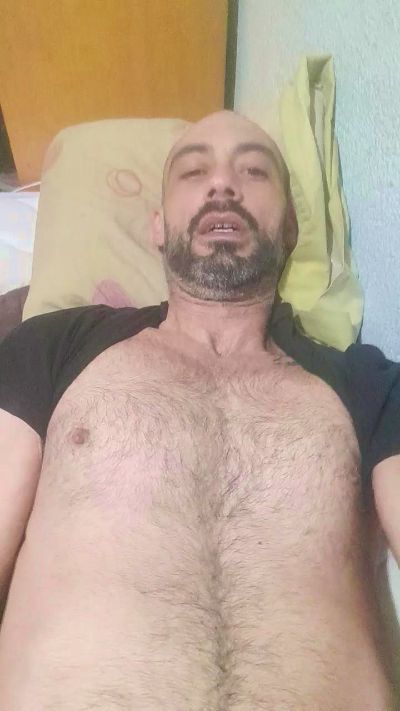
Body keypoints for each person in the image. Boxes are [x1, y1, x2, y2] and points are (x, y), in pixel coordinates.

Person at [0, 109, 399, 709]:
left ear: (290, 227)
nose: (222, 184)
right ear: (158, 227)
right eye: (193, 172)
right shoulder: (53, 347)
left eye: (254, 171)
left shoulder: (367, 384)